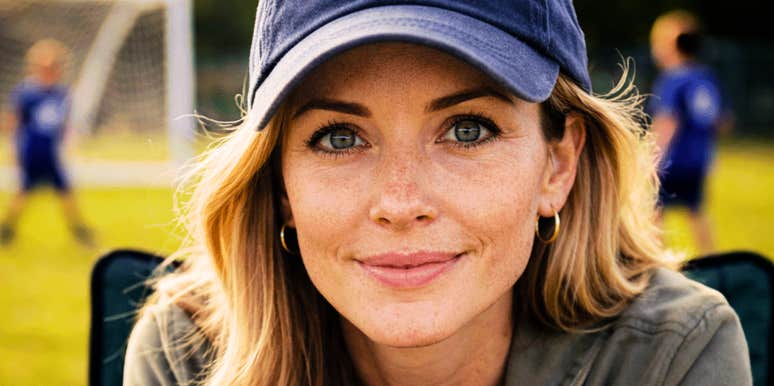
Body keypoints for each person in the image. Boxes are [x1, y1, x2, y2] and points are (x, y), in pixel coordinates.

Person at [124, 1, 751, 385]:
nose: (400, 203)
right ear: (280, 186)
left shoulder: (669, 358)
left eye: (467, 130)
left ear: (557, 166)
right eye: (340, 137)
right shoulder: (189, 358)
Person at [0, 39, 94, 247]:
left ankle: (78, 229)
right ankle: (7, 228)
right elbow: (13, 122)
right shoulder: (26, 92)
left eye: (53, 67)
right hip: (31, 150)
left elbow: (63, 124)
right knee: (23, 190)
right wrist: (12, 149)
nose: (49, 71)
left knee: (65, 190)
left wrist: (70, 141)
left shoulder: (62, 93)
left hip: (51, 151)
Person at [649, 10, 724, 254]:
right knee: (697, 213)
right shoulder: (705, 77)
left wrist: (652, 158)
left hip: (674, 160)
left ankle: (657, 266)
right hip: (698, 161)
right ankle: (711, 260)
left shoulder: (673, 78)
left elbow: (668, 121)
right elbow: (721, 121)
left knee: (653, 213)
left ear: (670, 45)